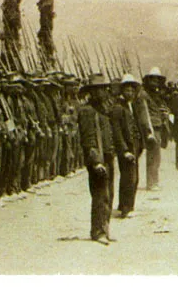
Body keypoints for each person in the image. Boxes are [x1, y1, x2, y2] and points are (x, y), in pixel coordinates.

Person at [77, 73, 116, 243]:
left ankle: (105, 228)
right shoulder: (87, 111)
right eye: (98, 90)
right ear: (91, 92)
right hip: (97, 158)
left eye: (103, 89)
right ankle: (97, 231)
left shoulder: (103, 110)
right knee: (100, 194)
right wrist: (95, 161)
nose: (102, 93)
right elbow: (88, 139)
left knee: (109, 194)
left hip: (107, 155)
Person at [111, 74, 146, 218]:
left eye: (132, 90)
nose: (130, 93)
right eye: (127, 90)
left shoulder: (131, 106)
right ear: (122, 91)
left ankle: (127, 205)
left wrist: (140, 145)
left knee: (134, 177)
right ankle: (125, 208)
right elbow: (117, 132)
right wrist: (124, 150)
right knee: (128, 177)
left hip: (134, 146)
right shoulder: (118, 108)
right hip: (126, 148)